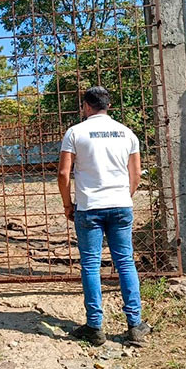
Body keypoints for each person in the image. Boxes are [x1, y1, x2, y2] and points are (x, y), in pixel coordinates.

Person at [57, 86, 150, 346]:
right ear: (108, 106)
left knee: (90, 264)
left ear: (86, 106)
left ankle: (95, 327)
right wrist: (124, 196)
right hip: (120, 205)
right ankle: (135, 325)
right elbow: (136, 174)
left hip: (89, 207)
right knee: (125, 262)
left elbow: (63, 174)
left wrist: (67, 205)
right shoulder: (127, 133)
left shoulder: (75, 133)